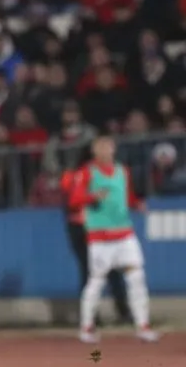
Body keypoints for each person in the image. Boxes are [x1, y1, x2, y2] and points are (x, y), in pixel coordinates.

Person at [68, 135, 159, 344]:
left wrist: (137, 204)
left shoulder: (121, 171)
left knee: (137, 278)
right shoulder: (86, 173)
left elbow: (127, 196)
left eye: (109, 147)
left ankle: (143, 325)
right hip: (100, 236)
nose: (106, 151)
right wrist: (92, 197)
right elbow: (74, 200)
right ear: (94, 151)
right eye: (101, 148)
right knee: (97, 281)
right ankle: (86, 327)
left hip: (124, 233)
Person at [60, 158, 131, 325]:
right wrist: (92, 196)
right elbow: (71, 200)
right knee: (89, 270)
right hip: (80, 227)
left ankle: (124, 312)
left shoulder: (101, 176)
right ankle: (91, 316)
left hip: (100, 226)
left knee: (112, 268)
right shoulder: (73, 176)